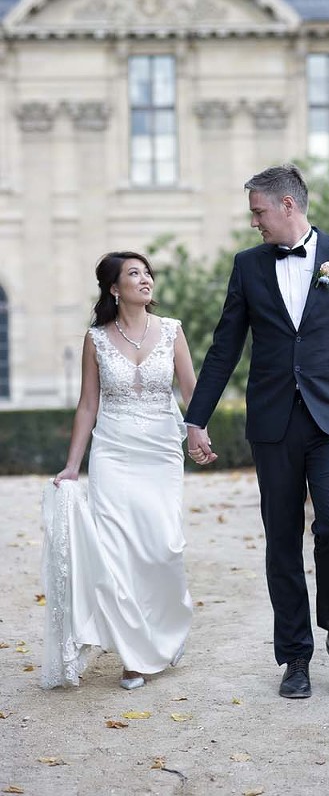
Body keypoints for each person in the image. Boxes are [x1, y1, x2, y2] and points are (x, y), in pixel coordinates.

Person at [184, 164, 329, 699]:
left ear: (286, 206)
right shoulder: (248, 266)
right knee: (282, 539)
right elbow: (225, 347)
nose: (253, 222)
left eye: (258, 211)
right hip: (273, 423)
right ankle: (295, 657)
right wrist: (196, 416)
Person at [46, 252, 196, 690]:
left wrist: (199, 435)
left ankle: (166, 627)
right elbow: (88, 405)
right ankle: (134, 657)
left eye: (147, 272)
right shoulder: (96, 339)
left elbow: (192, 392)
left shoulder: (171, 331)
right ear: (114, 288)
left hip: (161, 450)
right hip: (112, 450)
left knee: (163, 545)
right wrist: (73, 466)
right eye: (134, 273)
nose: (145, 278)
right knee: (116, 552)